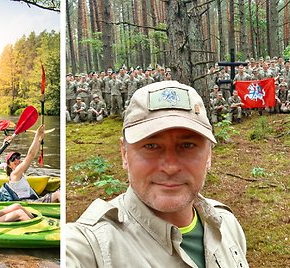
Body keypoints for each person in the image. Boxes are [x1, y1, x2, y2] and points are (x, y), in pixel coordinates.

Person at [66, 81, 249, 267]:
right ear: (124, 154)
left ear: (209, 155)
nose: (170, 167)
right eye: (151, 146)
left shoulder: (226, 225)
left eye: (187, 145)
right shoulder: (93, 246)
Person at [6, 125, 60, 203]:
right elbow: (30, 155)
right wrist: (37, 134)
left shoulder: (20, 172)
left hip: (30, 200)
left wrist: (39, 140)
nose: (16, 160)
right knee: (58, 193)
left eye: (17, 157)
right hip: (26, 202)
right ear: (9, 165)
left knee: (58, 191)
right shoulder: (15, 173)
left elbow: (33, 154)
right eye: (12, 159)